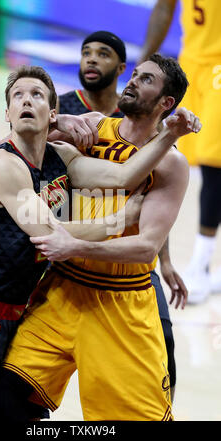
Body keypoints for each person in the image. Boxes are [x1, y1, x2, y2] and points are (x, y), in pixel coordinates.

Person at [0, 64, 187, 422]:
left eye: (36, 95)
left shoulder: (62, 157)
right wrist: (121, 220)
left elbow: (126, 175)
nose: (26, 101)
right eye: (18, 96)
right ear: (5, 112)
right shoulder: (7, 164)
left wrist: (170, 135)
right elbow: (51, 235)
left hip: (35, 309)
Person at [58, 30, 186, 401]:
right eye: (86, 53)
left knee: (162, 343)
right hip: (69, 246)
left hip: (125, 262)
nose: (92, 60)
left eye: (102, 54)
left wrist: (165, 259)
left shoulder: (139, 118)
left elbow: (154, 205)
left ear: (120, 67)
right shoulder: (69, 111)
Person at [138, 0, 221, 304]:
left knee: (214, 163)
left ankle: (200, 263)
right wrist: (146, 57)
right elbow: (164, 7)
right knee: (174, 156)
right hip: (192, 62)